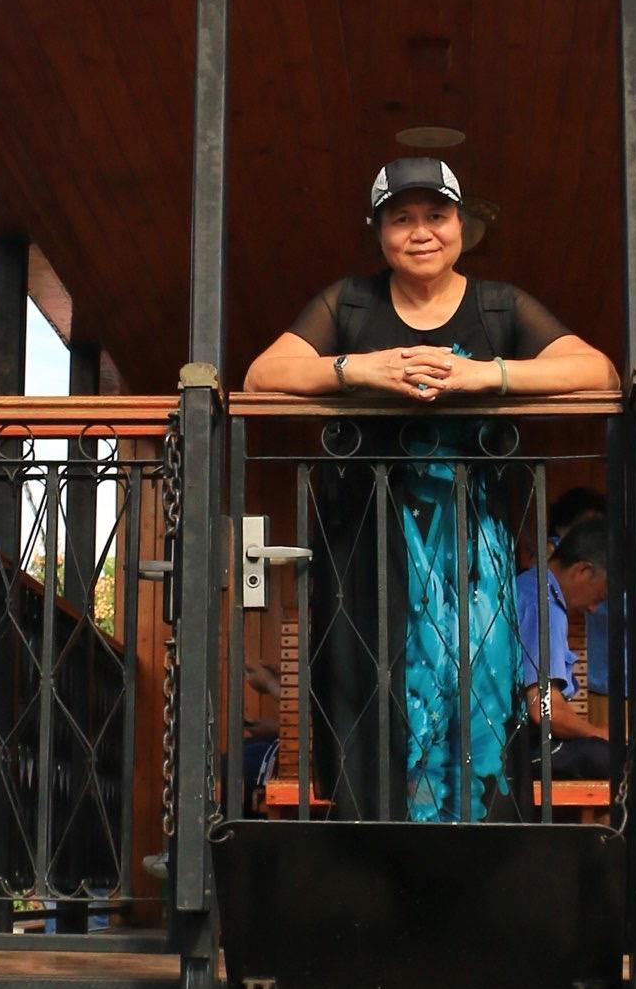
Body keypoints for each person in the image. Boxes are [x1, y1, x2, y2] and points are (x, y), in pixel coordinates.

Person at [245, 158, 616, 821]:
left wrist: (489, 378)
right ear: (379, 230)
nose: (421, 232)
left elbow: (597, 374)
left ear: (461, 225)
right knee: (373, 698)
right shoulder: (350, 303)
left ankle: (471, 881)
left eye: (436, 215)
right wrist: (358, 368)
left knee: (475, 698)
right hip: (369, 553)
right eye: (401, 218)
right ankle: (380, 876)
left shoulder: (497, 306)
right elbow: (264, 377)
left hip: (473, 559)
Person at [516, 513, 617, 781]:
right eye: (599, 596)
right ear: (582, 570)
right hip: (522, 748)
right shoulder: (542, 604)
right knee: (626, 762)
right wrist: (597, 732)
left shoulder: (533, 589)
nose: (594, 608)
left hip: (524, 740)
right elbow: (543, 708)